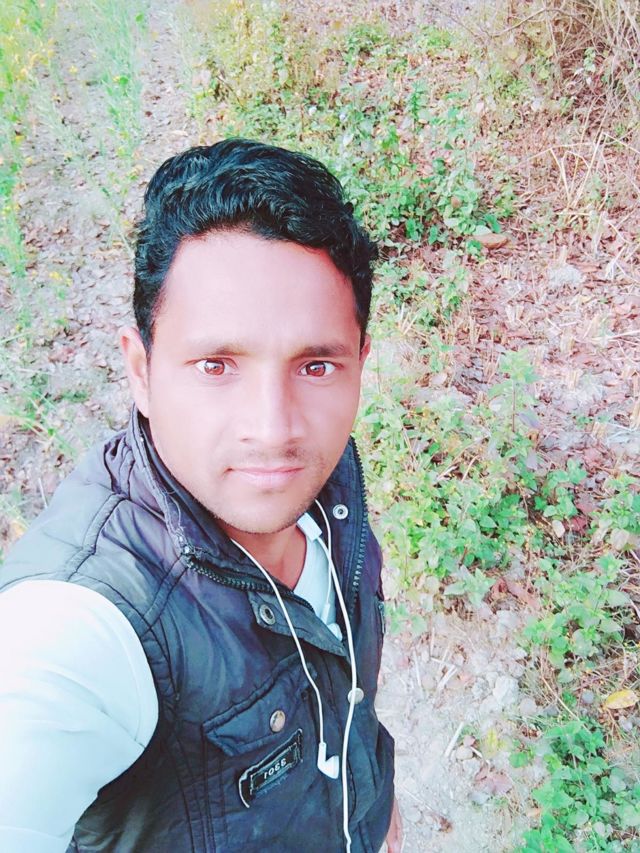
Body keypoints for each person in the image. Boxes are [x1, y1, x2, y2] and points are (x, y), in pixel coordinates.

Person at [0, 139, 401, 852]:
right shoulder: (86, 626)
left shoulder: (333, 484)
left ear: (359, 363)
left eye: (316, 365)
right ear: (141, 370)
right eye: (217, 365)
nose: (273, 430)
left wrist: (375, 809)